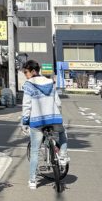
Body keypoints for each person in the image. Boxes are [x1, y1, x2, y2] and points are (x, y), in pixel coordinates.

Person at [21, 60, 68, 190]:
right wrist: (58, 116)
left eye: (26, 72)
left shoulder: (28, 85)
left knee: (35, 151)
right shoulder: (50, 82)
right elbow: (58, 103)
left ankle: (32, 181)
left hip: (37, 122)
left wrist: (25, 122)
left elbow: (26, 106)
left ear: (33, 71)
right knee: (63, 133)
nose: (25, 75)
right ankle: (63, 156)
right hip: (54, 118)